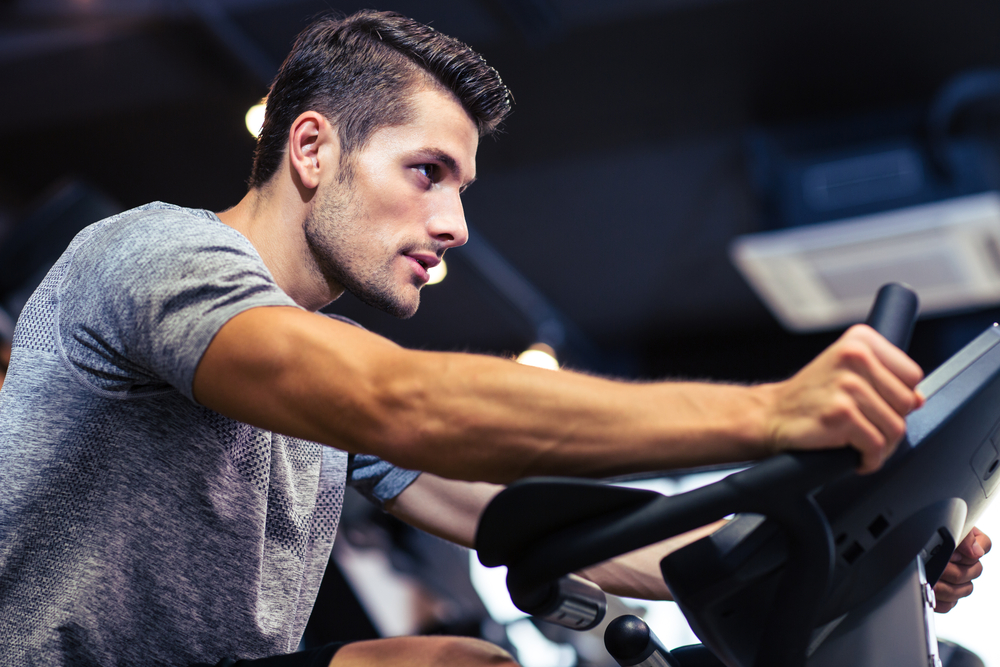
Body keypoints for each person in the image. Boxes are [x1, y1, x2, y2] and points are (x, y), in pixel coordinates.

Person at [0, 9, 989, 667]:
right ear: (311, 148)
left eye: (462, 189)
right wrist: (767, 412)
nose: (457, 227)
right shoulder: (158, 255)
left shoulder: (311, 382)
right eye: (427, 172)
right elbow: (404, 402)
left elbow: (562, 523)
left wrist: (855, 548)